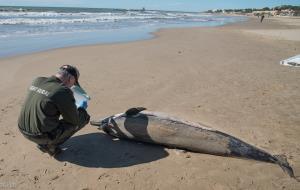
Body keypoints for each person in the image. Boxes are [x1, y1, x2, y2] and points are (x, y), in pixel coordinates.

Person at [18, 65, 90, 156]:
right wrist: (80, 108)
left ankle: (46, 140)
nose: (72, 86)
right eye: (74, 83)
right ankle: (49, 145)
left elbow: (45, 100)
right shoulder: (62, 90)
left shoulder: (38, 80)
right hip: (40, 135)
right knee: (83, 116)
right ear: (71, 79)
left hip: (22, 128)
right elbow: (73, 120)